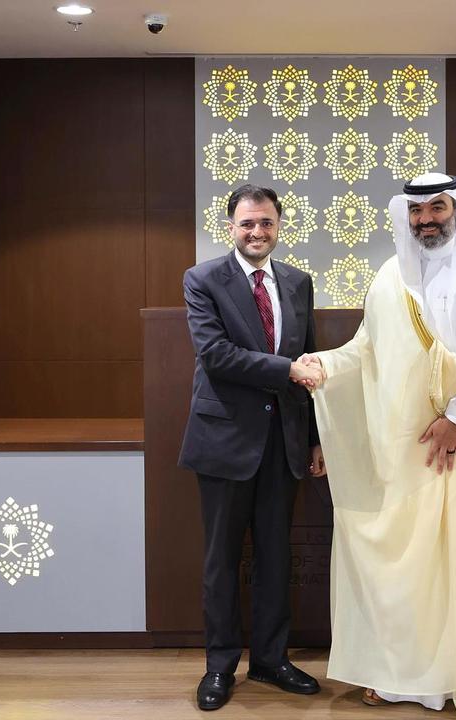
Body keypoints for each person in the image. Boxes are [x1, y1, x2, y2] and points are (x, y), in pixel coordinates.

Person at [302, 173, 456, 718]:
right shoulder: (392, 275)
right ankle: (409, 680)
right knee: (413, 572)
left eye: (437, 208)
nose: (426, 221)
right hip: (411, 448)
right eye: (416, 212)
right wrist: (324, 365)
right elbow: (367, 348)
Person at [180, 184, 326, 711]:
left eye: (266, 222)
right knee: (221, 560)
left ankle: (270, 659)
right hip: (224, 441)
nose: (257, 232)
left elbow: (310, 360)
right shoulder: (202, 279)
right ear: (231, 228)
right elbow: (216, 355)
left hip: (283, 443)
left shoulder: (298, 282)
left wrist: (314, 439)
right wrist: (287, 370)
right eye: (247, 223)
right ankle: (219, 667)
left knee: (274, 556)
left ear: (279, 225)